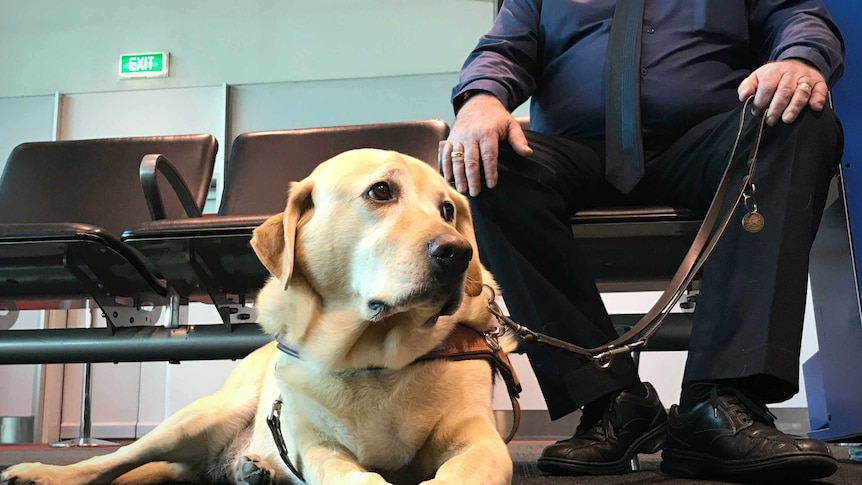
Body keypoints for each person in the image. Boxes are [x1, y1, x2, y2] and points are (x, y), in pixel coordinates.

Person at [440, 0, 845, 482]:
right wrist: (480, 97)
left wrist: (799, 58)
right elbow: (503, 48)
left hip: (707, 144)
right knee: (486, 161)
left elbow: (797, 16)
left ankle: (720, 401)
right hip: (577, 151)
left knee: (801, 121)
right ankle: (611, 402)